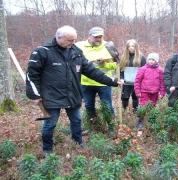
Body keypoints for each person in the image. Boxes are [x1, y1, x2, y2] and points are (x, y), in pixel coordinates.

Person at [25, 25, 122, 156]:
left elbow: (91, 71)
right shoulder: (43, 51)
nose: (73, 43)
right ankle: (47, 148)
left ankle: (77, 141)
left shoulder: (75, 51)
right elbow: (32, 74)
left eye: (74, 40)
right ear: (59, 38)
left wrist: (112, 81)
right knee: (50, 124)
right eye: (70, 40)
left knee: (76, 120)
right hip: (52, 96)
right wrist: (34, 94)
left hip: (73, 94)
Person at [75, 27, 117, 137]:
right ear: (89, 35)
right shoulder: (79, 46)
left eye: (100, 37)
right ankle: (92, 126)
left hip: (104, 83)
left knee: (107, 106)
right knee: (89, 106)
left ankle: (111, 127)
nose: (98, 39)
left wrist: (104, 64)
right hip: (86, 82)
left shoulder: (109, 46)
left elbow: (115, 64)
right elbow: (75, 62)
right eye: (96, 37)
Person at [134, 53, 165, 130]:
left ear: (157, 61)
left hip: (154, 92)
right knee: (143, 106)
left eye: (153, 60)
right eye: (150, 59)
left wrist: (162, 92)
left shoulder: (160, 70)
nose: (151, 61)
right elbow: (137, 81)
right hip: (144, 91)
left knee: (152, 106)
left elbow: (162, 82)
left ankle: (151, 121)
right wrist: (137, 91)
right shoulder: (142, 69)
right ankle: (140, 121)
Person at [119, 39, 146, 112]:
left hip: (136, 82)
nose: (131, 48)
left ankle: (135, 113)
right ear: (127, 47)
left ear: (136, 47)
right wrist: (121, 78)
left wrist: (142, 81)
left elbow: (144, 71)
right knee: (125, 97)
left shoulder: (141, 57)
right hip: (126, 82)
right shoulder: (123, 58)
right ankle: (124, 113)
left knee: (135, 97)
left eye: (133, 46)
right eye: (129, 46)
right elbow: (120, 71)